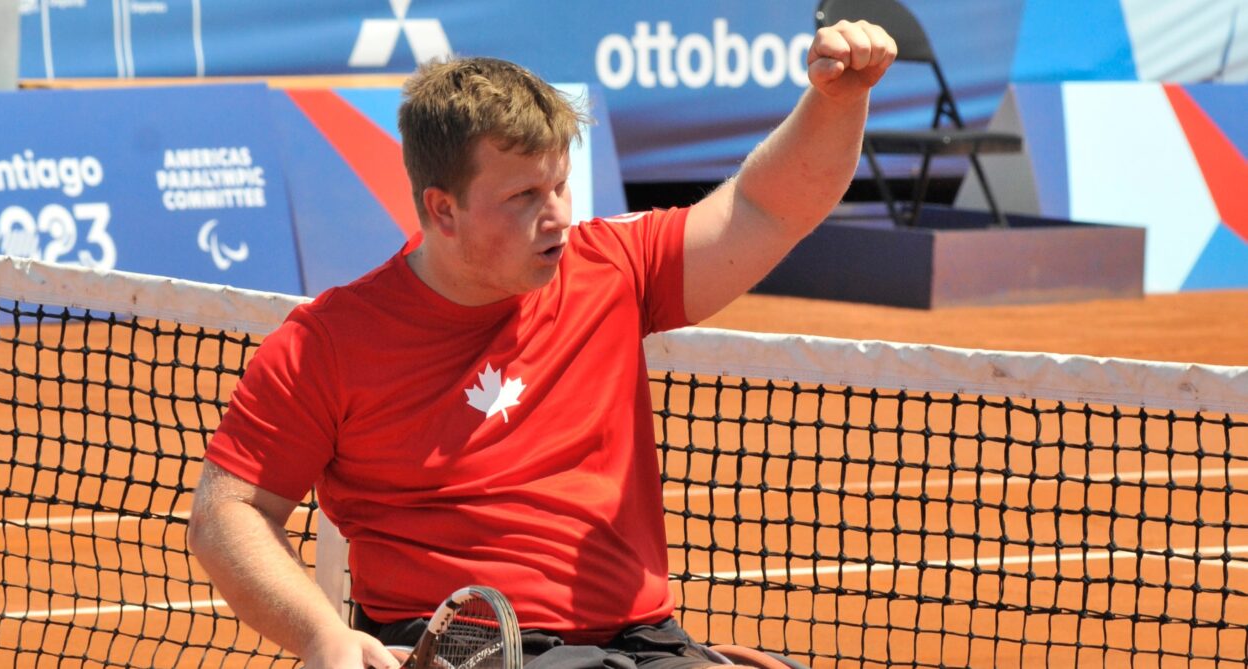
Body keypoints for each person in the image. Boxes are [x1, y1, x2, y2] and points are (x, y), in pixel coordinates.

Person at [187, 18, 896, 669]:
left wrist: (841, 100)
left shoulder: (612, 266)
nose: (557, 216)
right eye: (525, 197)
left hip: (640, 643)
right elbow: (230, 510)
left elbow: (767, 206)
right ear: (443, 209)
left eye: (561, 185)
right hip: (464, 646)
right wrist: (321, 631)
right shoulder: (328, 343)